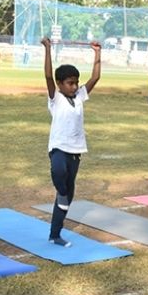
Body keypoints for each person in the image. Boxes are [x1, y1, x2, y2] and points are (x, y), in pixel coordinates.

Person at [41, 37, 101, 247]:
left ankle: (55, 234)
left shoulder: (80, 96)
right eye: (70, 83)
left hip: (76, 150)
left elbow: (95, 77)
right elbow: (48, 74)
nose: (75, 86)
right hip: (58, 147)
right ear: (60, 84)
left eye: (76, 82)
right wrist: (48, 49)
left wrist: (97, 52)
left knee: (68, 192)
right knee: (59, 174)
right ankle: (62, 194)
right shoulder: (55, 98)